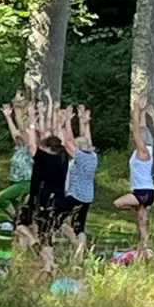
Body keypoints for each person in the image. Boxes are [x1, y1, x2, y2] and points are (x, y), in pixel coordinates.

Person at [17, 102, 75, 275]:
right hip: (58, 200)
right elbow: (62, 141)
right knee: (47, 235)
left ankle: (35, 245)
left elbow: (33, 147)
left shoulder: (44, 158)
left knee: (21, 225)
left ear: (48, 148)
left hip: (41, 199)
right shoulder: (63, 159)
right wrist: (62, 123)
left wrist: (33, 122)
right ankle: (49, 266)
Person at [114, 99, 154, 252]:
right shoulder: (146, 150)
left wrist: (135, 109)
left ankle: (135, 206)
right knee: (141, 223)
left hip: (144, 192)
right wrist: (142, 113)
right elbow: (142, 128)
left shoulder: (144, 151)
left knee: (118, 204)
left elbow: (136, 130)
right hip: (144, 191)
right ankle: (146, 248)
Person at [59, 105, 99, 261]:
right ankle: (80, 253)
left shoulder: (80, 157)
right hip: (87, 197)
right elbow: (86, 139)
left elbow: (68, 142)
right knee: (79, 225)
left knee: (57, 219)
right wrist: (84, 122)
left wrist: (65, 123)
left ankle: (75, 242)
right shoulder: (93, 156)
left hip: (74, 195)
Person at [0, 96, 33, 220]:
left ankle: (17, 219)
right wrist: (8, 117)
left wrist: (16, 109)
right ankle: (20, 225)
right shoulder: (19, 147)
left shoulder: (29, 145)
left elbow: (21, 130)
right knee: (20, 209)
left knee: (0, 198)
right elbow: (15, 132)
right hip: (15, 181)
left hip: (25, 182)